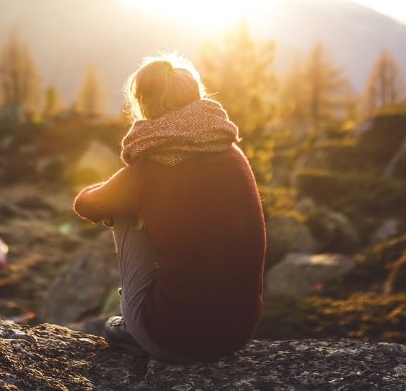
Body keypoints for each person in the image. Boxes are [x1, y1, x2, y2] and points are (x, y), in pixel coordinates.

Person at [72, 54, 266, 362]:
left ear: (144, 104)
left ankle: (136, 321)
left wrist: (129, 193)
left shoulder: (149, 168)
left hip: (171, 340)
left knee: (121, 208)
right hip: (237, 334)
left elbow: (86, 204)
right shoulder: (232, 153)